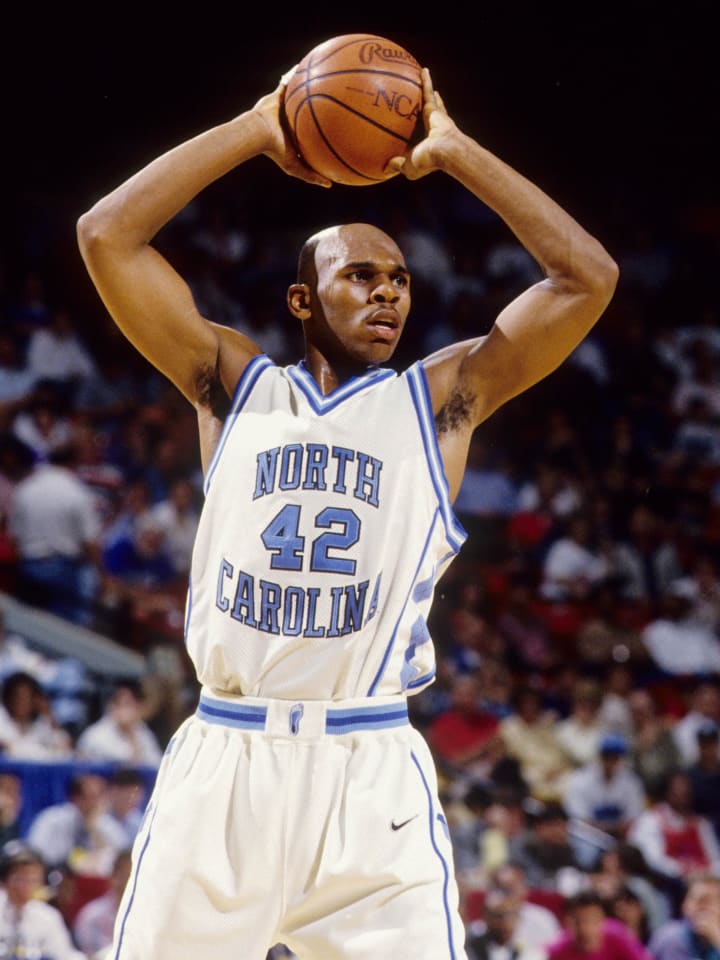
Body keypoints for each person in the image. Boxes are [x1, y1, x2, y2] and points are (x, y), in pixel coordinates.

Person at [76, 50, 617, 960]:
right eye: (361, 275)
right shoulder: (233, 384)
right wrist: (257, 127)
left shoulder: (439, 400)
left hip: (370, 770)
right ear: (302, 298)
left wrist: (456, 152)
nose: (387, 293)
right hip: (228, 756)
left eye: (399, 279)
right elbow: (105, 236)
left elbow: (586, 278)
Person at [0, 840, 86, 960]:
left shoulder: (47, 916)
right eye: (20, 877)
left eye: (33, 878)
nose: (27, 885)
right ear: (4, 880)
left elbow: (66, 955)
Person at [546, 890, 652, 960]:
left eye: (592, 920)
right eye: (579, 921)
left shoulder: (617, 934)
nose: (585, 928)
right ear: (568, 922)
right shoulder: (557, 948)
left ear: (602, 919)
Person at [647, 872, 720, 960]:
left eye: (716, 901)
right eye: (702, 901)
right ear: (685, 906)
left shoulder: (715, 937)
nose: (710, 908)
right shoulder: (671, 938)